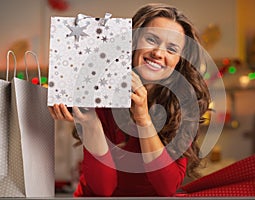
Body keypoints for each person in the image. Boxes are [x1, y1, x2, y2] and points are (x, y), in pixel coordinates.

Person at [48, 3, 211, 197]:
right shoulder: (100, 93)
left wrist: (143, 118)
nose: (158, 53)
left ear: (179, 61)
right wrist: (91, 123)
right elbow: (103, 190)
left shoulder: (183, 107)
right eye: (151, 39)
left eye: (172, 49)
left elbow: (167, 188)